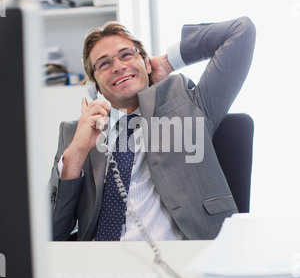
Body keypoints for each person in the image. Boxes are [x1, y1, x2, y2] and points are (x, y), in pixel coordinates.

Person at [50, 17, 256, 241]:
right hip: (101, 265)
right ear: (96, 86)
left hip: (180, 259)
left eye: (127, 55)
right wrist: (78, 152)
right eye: (104, 63)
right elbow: (49, 234)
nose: (118, 67)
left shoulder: (188, 102)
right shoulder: (76, 135)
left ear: (147, 64)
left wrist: (169, 61)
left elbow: (241, 32)